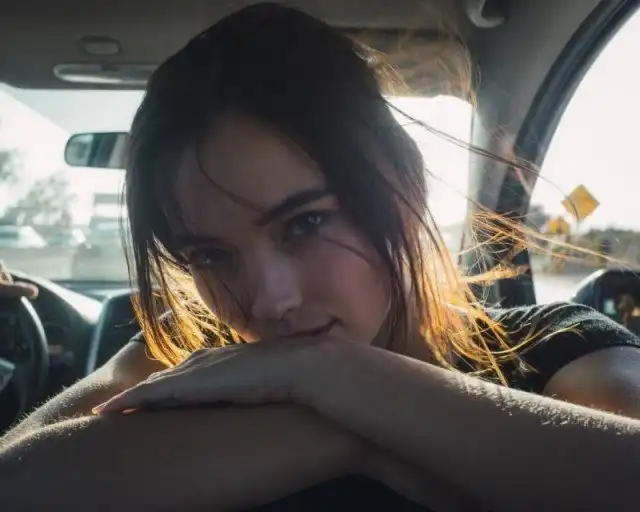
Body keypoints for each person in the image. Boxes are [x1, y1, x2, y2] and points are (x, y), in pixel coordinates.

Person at [2, 3, 640, 511]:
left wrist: (337, 376)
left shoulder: (553, 347)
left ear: (405, 185)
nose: (269, 301)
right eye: (212, 256)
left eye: (305, 222)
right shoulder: (191, 359)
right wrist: (354, 434)